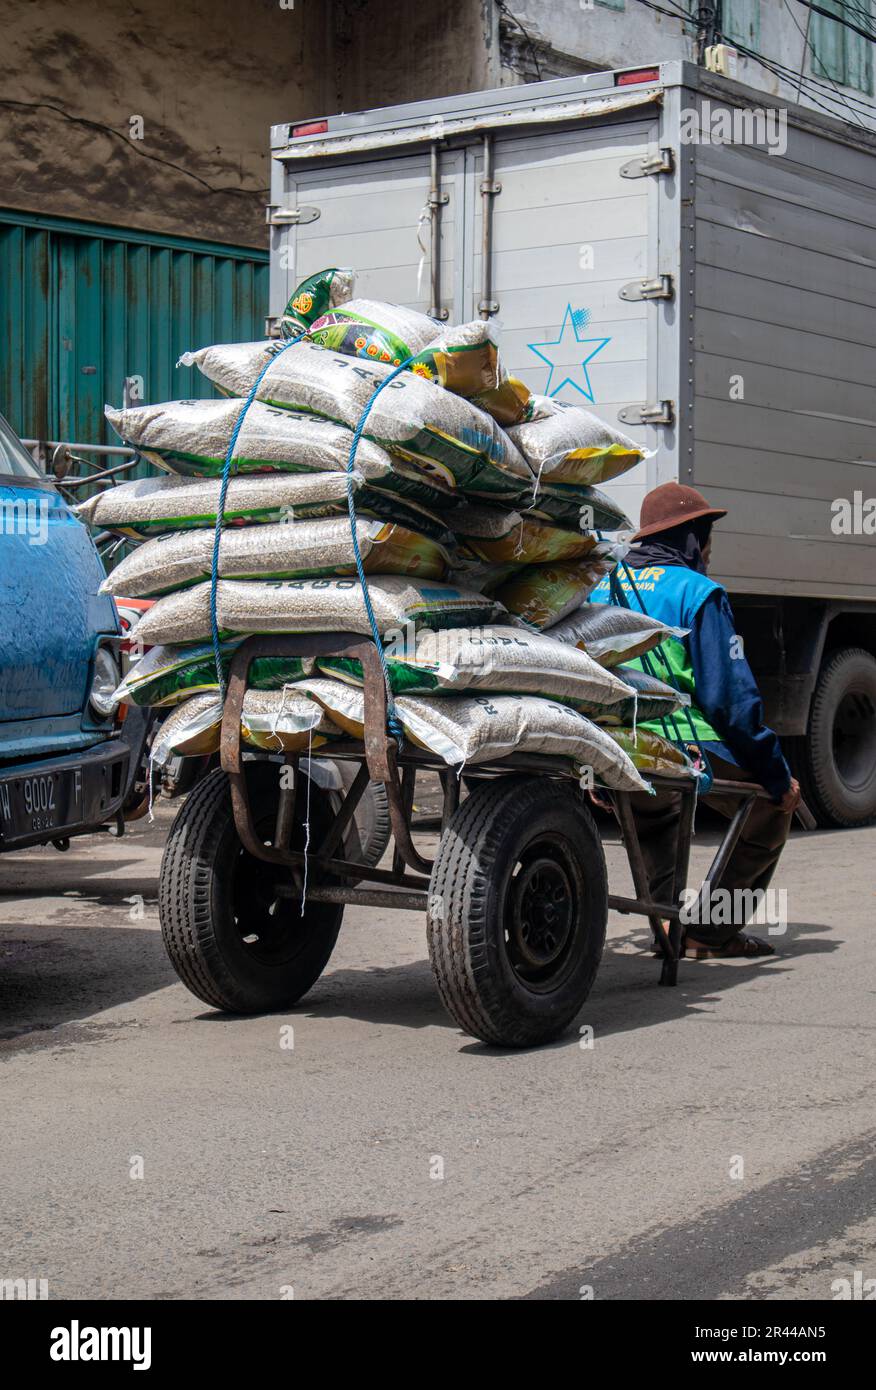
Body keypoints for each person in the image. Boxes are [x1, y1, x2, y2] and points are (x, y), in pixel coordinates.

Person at [589, 482, 801, 958]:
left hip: (613, 744)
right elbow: (729, 701)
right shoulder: (698, 592)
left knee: (655, 816)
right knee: (770, 810)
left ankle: (666, 926)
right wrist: (776, 774)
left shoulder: (600, 584)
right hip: (686, 745)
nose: (708, 552)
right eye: (707, 540)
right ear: (692, 540)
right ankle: (708, 933)